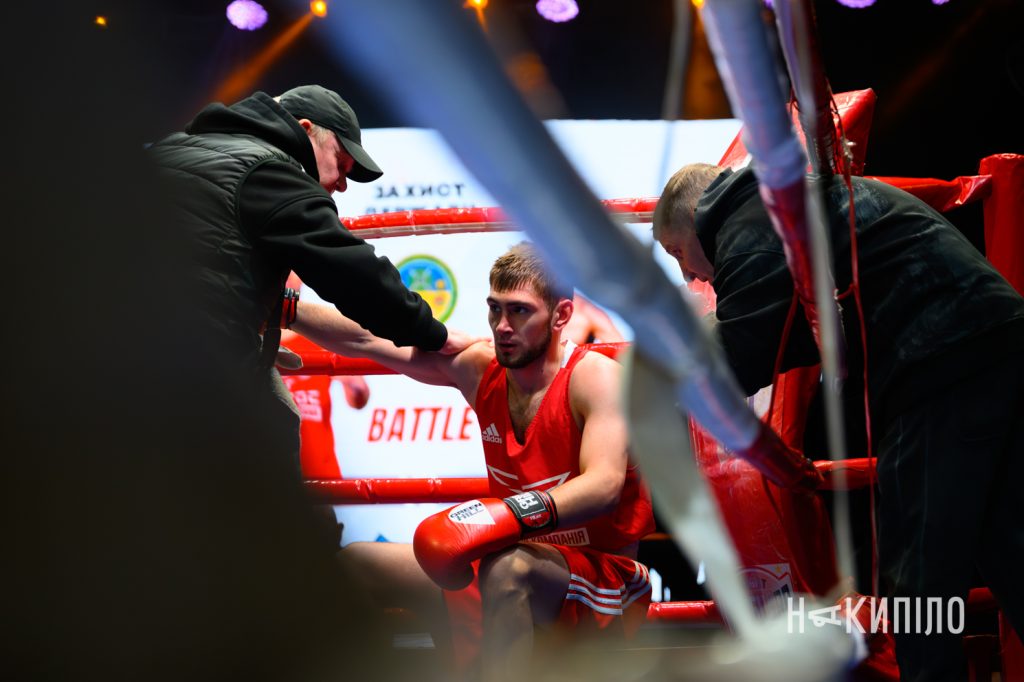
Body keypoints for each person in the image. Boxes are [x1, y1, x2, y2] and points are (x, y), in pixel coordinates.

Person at [654, 162, 1024, 681]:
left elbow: (743, 351)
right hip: (986, 345)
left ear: (696, 216)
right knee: (1008, 545)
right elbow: (795, 333)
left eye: (679, 253)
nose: (690, 274)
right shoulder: (776, 204)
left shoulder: (748, 220)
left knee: (918, 581)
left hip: (942, 361)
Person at [293, 243, 655, 681]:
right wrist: (283, 308)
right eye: (494, 309)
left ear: (560, 316)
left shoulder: (595, 378)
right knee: (356, 565)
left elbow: (603, 485)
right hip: (510, 562)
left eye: (520, 312)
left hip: (602, 580)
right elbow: (368, 339)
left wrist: (503, 516)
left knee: (507, 566)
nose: (503, 327)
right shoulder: (482, 370)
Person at [148, 84, 469, 465]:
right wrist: (433, 332)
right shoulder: (271, 172)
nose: (342, 183)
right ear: (304, 131)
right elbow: (353, 274)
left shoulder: (166, 150)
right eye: (341, 162)